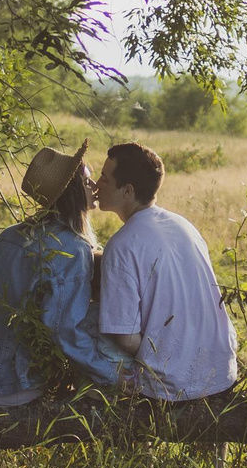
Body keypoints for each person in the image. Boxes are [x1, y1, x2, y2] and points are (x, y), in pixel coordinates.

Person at [0, 143, 130, 406]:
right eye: (86, 180)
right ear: (72, 192)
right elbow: (65, 331)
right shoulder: (71, 249)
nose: (94, 186)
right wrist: (112, 375)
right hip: (0, 385)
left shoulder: (11, 234)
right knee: (100, 316)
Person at [92, 141, 238, 403]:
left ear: (127, 191)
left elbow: (125, 338)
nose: (96, 185)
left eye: (104, 178)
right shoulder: (183, 225)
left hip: (172, 388)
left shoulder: (122, 245)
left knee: (84, 332)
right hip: (223, 375)